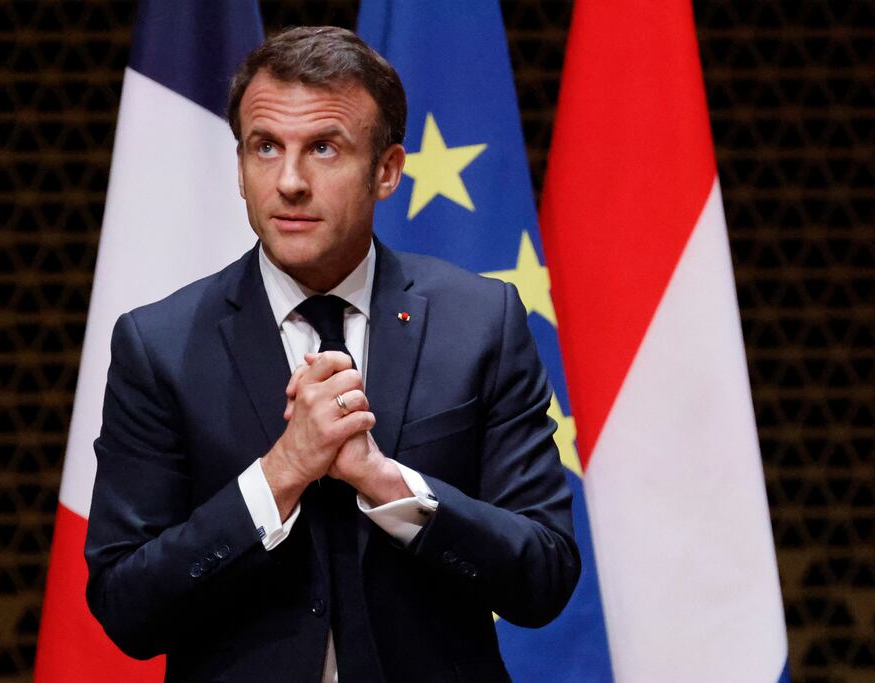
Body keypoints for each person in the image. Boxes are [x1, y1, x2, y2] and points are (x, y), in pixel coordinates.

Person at [85, 26, 579, 683]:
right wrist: (281, 473)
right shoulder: (161, 345)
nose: (289, 181)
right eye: (265, 147)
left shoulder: (480, 323)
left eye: (323, 148)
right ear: (238, 167)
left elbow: (543, 574)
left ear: (387, 170)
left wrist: (386, 484)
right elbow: (127, 606)